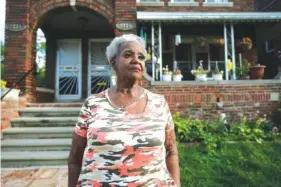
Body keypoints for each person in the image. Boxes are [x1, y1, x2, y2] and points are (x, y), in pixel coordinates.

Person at [68, 34, 180, 187]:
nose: (136, 60)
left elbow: (171, 153)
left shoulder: (159, 103)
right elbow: (75, 159)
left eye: (141, 57)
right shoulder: (93, 104)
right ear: (113, 62)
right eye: (128, 55)